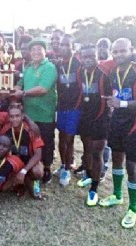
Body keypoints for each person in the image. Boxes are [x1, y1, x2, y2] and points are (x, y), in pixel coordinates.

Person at [99, 38, 136, 228]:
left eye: (123, 51)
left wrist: (122, 103)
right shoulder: (111, 65)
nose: (118, 55)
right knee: (116, 159)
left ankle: (133, 208)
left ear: (131, 50)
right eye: (115, 52)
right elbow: (94, 61)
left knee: (132, 167)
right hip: (117, 122)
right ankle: (117, 196)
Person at [12, 38, 57, 184]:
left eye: (39, 49)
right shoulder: (28, 68)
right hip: (29, 114)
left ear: (45, 51)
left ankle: (47, 168)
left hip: (45, 115)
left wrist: (22, 93)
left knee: (46, 142)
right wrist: (10, 91)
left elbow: (43, 89)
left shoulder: (49, 67)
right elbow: (19, 84)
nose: (36, 52)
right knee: (30, 142)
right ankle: (33, 168)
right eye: (33, 50)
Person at [76, 44, 112, 206]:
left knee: (97, 154)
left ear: (98, 57)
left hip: (100, 119)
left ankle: (94, 189)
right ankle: (90, 176)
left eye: (92, 56)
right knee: (87, 149)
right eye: (85, 57)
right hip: (85, 117)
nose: (88, 59)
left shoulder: (105, 74)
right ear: (81, 58)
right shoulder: (80, 72)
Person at [54, 34, 82, 186]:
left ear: (73, 47)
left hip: (74, 108)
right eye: (62, 45)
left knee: (69, 140)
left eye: (67, 45)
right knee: (61, 137)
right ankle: (62, 164)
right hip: (61, 107)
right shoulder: (58, 64)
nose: (64, 48)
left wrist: (77, 106)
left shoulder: (78, 64)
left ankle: (67, 169)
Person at [0, 103, 44, 198]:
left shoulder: (32, 129)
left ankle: (30, 179)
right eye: (12, 116)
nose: (14, 119)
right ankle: (22, 181)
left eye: (17, 116)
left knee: (38, 172)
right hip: (14, 164)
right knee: (3, 189)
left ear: (22, 116)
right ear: (8, 117)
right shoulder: (5, 130)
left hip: (29, 163)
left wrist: (23, 171)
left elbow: (38, 155)